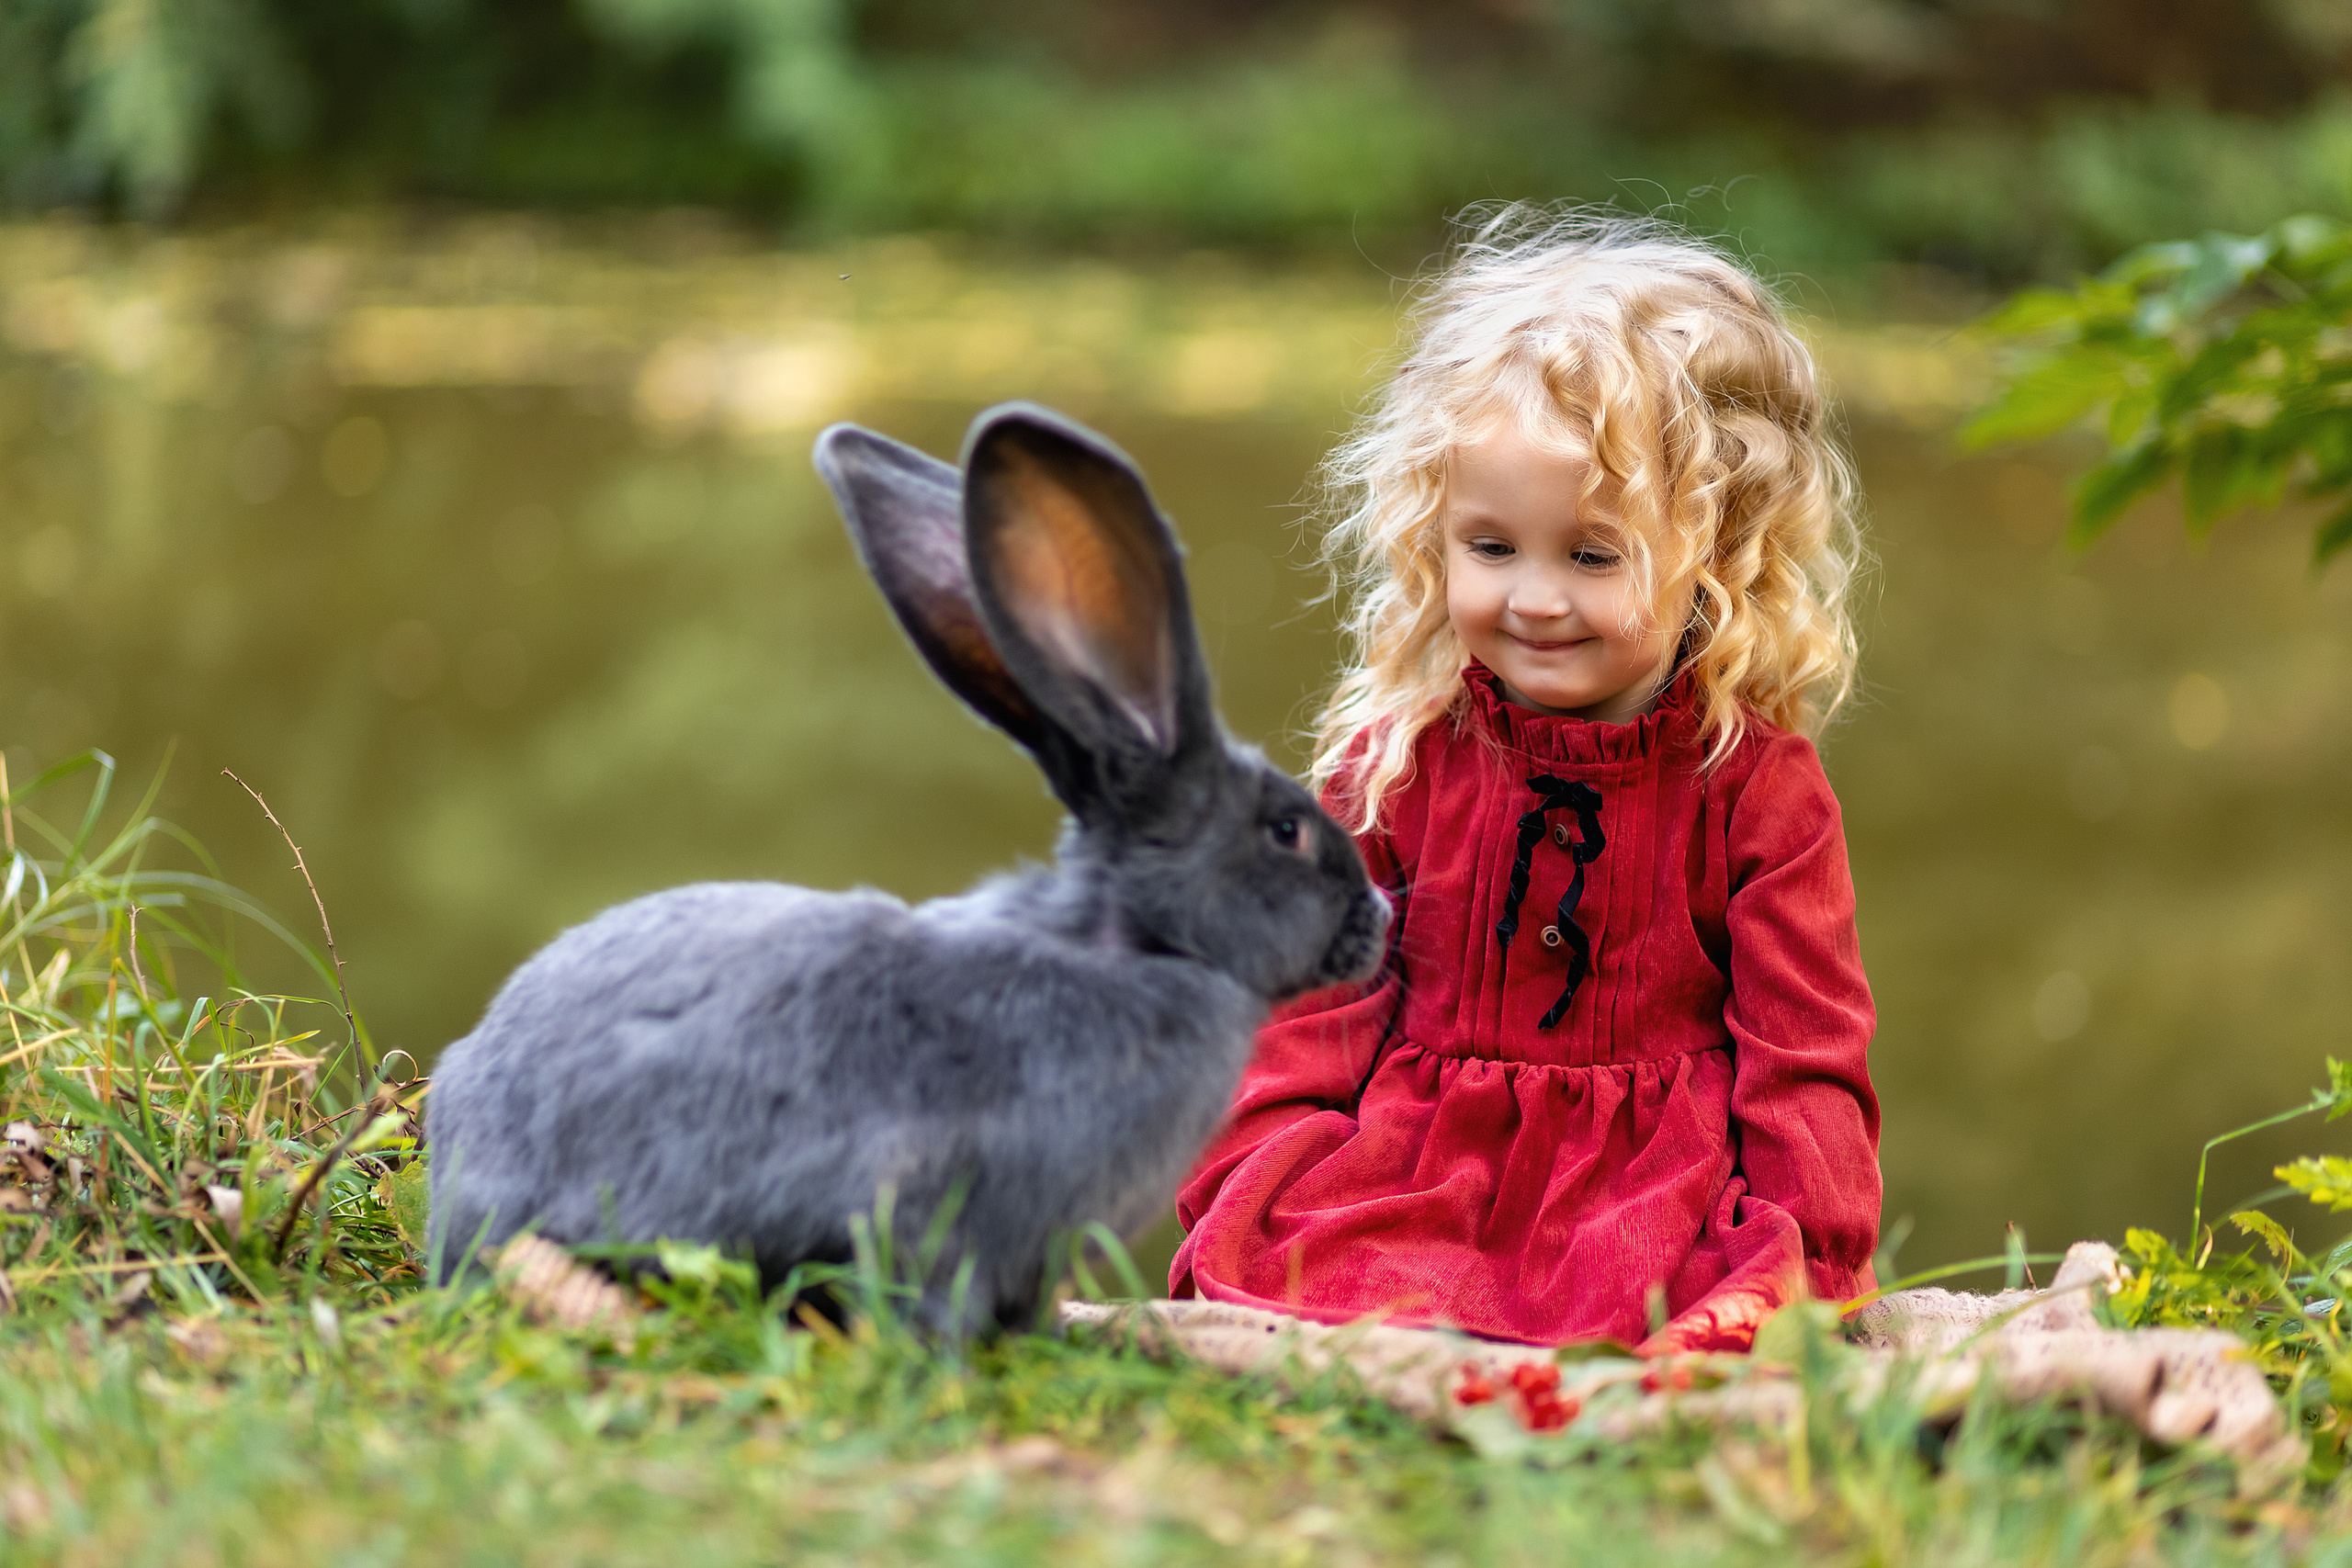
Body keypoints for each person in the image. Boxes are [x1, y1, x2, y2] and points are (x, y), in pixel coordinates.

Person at [1169, 207, 1880, 1355]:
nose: (1535, 599)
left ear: (1720, 547)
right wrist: (1259, 1174)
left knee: (1693, 1321)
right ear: (1434, 534)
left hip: (1652, 1200)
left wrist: (1810, 1249)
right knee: (1306, 1278)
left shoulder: (1756, 791)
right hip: (1418, 1177)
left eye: (1593, 555)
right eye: (1490, 548)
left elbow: (1805, 1054)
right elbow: (1301, 1009)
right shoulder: (1395, 759)